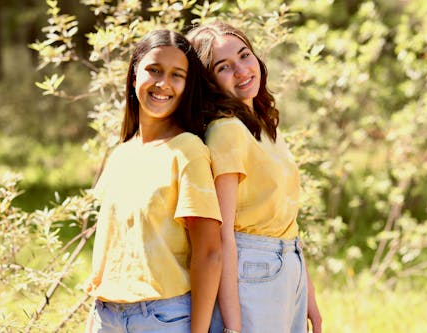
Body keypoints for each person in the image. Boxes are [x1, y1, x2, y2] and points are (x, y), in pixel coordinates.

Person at [187, 22, 322, 333]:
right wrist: (233, 327)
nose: (241, 70)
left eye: (244, 55)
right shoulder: (227, 132)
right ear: (208, 81)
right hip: (253, 270)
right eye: (223, 67)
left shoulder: (263, 126)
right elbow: (223, 236)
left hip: (288, 264)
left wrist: (307, 294)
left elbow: (289, 221)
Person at [85, 29, 223, 333]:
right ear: (134, 76)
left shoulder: (187, 151)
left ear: (188, 87)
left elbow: (210, 253)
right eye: (154, 70)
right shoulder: (121, 154)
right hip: (104, 315)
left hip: (162, 318)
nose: (163, 84)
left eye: (177, 75)